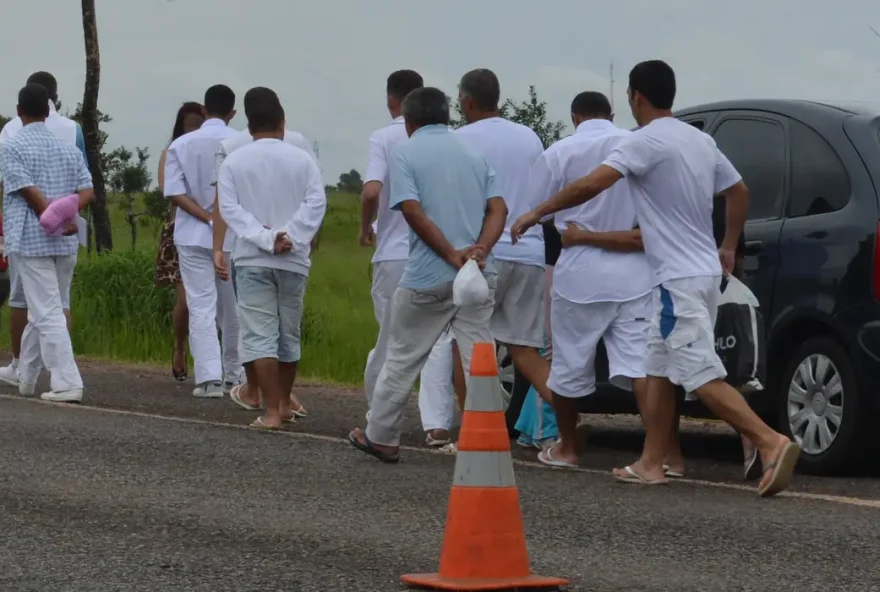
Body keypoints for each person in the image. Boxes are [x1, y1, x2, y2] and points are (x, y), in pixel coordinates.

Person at [510, 60, 800, 497]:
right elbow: (737, 190)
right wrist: (727, 245)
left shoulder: (644, 142)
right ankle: (651, 462)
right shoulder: (699, 140)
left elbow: (593, 185)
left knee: (698, 373)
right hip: (699, 273)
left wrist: (538, 212)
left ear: (635, 97)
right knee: (657, 369)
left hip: (675, 280)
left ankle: (770, 441)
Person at [348, 87, 508, 463]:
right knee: (479, 358)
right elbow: (498, 209)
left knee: (402, 357)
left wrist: (451, 254)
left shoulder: (406, 153)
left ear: (408, 121)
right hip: (479, 273)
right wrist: (479, 249)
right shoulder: (474, 154)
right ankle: (487, 441)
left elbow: (412, 211)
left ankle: (383, 437)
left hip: (428, 276)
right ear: (447, 116)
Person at [526, 91, 653, 469]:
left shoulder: (559, 153)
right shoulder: (636, 145)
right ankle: (655, 452)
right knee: (638, 367)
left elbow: (538, 210)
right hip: (633, 268)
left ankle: (567, 447)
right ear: (611, 114)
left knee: (569, 362)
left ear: (574, 117)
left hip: (579, 268)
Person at [217, 87, 326, 429]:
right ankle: (284, 403)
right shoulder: (303, 159)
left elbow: (229, 209)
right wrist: (290, 236)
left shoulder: (234, 161)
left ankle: (272, 411)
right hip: (293, 259)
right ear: (282, 122)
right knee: (288, 334)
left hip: (252, 257)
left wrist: (266, 238)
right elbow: (316, 203)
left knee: (259, 335)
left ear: (249, 127)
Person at [359, 70, 456, 447]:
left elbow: (370, 191)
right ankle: (436, 424)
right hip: (441, 250)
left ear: (391, 100)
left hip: (395, 252)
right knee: (437, 340)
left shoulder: (384, 137)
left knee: (390, 341)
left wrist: (366, 227)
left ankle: (378, 416)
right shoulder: (451, 141)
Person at [453, 69, 551, 415]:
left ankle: (473, 427)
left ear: (467, 101)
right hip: (530, 251)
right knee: (524, 349)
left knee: (466, 341)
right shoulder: (529, 137)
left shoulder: (461, 138)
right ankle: (567, 422)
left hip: (484, 254)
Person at [0, 83, 93, 402]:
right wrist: (68, 215)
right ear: (49, 110)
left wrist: (50, 217)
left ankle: (67, 380)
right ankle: (26, 376)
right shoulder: (67, 148)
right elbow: (87, 190)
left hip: (30, 240)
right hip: (66, 243)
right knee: (48, 306)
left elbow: (25, 188)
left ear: (18, 111)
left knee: (45, 311)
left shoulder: (12, 145)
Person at [163, 84, 240, 398]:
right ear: (233, 113)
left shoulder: (180, 145)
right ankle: (235, 375)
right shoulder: (240, 143)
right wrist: (220, 219)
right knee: (233, 307)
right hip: (233, 235)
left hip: (192, 235)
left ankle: (209, 378)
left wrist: (206, 217)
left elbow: (174, 193)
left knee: (201, 305)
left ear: (204, 111)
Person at [154, 101, 204, 382]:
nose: (195, 130)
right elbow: (167, 189)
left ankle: (212, 361)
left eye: (200, 124)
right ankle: (180, 347)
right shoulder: (171, 152)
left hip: (216, 227)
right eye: (190, 125)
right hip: (181, 228)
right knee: (186, 301)